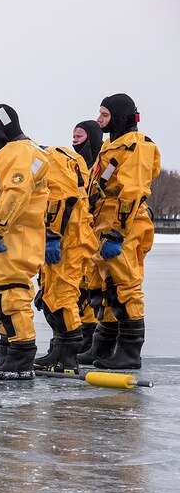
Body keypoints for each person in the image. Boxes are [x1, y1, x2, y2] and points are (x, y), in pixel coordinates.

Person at [78, 94, 159, 369]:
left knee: (126, 286)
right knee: (107, 286)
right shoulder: (113, 146)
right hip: (105, 221)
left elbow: (132, 191)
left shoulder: (136, 147)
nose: (100, 120)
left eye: (104, 115)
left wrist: (118, 233)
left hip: (126, 224)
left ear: (120, 117)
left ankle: (130, 351)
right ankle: (103, 344)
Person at [0, 104, 50, 380]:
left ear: (2, 128)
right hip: (4, 244)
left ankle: (21, 357)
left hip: (12, 241)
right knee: (0, 298)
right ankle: (8, 352)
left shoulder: (19, 152)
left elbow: (17, 192)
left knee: (13, 298)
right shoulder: (12, 153)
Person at [33, 133, 97, 372]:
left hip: (68, 239)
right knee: (52, 293)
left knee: (63, 294)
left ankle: (68, 355)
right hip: (67, 236)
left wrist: (53, 236)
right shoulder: (54, 157)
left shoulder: (48, 158)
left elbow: (61, 199)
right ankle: (59, 350)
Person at [71, 120, 105, 356]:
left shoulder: (101, 165)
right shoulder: (75, 165)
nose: (74, 139)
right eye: (73, 135)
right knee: (80, 286)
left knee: (95, 287)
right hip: (80, 234)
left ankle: (95, 337)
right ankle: (84, 335)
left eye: (79, 135)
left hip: (97, 234)